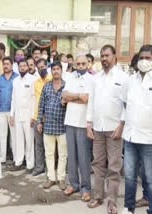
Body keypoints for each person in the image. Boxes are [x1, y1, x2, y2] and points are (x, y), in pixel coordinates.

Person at [120, 45, 152, 214]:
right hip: (130, 138)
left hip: (151, 140)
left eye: (148, 58)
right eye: (141, 58)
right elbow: (125, 103)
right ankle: (129, 209)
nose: (144, 61)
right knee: (129, 178)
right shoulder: (129, 80)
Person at [86, 45, 127, 213]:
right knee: (97, 164)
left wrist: (121, 125)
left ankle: (112, 201)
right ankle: (98, 197)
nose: (104, 58)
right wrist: (89, 124)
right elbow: (91, 102)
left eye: (107, 55)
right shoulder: (96, 78)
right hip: (98, 127)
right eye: (102, 55)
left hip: (114, 129)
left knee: (114, 166)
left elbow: (127, 104)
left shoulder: (124, 77)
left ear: (114, 56)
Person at [61, 54, 93, 202]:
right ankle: (74, 184)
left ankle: (86, 188)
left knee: (83, 157)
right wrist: (78, 96)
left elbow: (88, 99)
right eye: (78, 64)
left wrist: (73, 98)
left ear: (88, 64)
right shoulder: (70, 77)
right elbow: (64, 95)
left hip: (83, 123)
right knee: (72, 156)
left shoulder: (91, 79)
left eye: (83, 64)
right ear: (74, 64)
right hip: (70, 121)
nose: (80, 66)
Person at [37, 61, 67, 190]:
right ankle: (51, 178)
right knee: (49, 154)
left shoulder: (67, 86)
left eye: (58, 69)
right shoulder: (47, 86)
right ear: (51, 71)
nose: (55, 71)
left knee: (62, 154)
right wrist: (39, 121)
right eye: (53, 69)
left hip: (63, 127)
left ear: (61, 71)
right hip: (48, 126)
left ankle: (61, 179)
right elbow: (41, 105)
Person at [10, 59, 36, 172]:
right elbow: (13, 99)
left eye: (24, 66)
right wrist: (12, 114)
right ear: (18, 67)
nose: (22, 68)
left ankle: (30, 164)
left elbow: (34, 99)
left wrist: (33, 116)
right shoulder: (15, 81)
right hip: (17, 114)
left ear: (28, 67)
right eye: (20, 66)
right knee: (18, 140)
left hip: (28, 115)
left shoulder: (33, 79)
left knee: (29, 140)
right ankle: (18, 162)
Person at [0, 57, 19, 164]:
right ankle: (2, 157)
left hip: (13, 112)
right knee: (2, 135)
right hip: (1, 110)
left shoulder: (16, 78)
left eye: (8, 64)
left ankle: (16, 158)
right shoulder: (0, 79)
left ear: (12, 65)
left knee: (14, 136)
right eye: (4, 64)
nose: (6, 66)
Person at [32, 58, 52, 177]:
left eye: (43, 67)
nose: (41, 69)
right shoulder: (36, 82)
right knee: (39, 144)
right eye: (39, 68)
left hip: (49, 118)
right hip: (38, 117)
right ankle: (39, 167)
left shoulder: (52, 80)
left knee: (50, 146)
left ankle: (51, 169)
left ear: (47, 66)